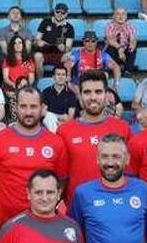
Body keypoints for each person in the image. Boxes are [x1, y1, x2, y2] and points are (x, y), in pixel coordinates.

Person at [0, 84, 69, 221]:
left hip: (42, 221)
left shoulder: (56, 143)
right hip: (6, 222)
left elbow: (62, 182)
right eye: (23, 106)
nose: (28, 112)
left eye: (33, 106)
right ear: (16, 108)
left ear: (42, 108)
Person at [57, 71, 134, 200]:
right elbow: (61, 178)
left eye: (98, 92)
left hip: (115, 204)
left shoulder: (122, 128)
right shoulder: (64, 131)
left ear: (106, 95)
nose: (93, 97)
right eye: (87, 92)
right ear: (80, 96)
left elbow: (130, 173)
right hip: (77, 210)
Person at [35, 3, 78, 73]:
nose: (60, 14)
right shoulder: (45, 22)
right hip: (44, 51)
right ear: (54, 11)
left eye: (63, 13)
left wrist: (64, 48)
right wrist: (39, 42)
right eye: (58, 11)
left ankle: (67, 80)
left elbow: (68, 47)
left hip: (59, 54)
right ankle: (40, 81)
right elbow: (36, 40)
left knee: (69, 58)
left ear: (66, 14)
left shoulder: (69, 27)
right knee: (37, 56)